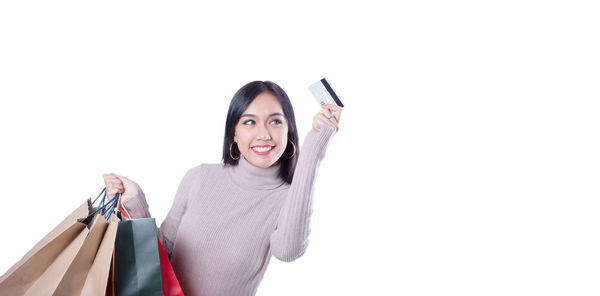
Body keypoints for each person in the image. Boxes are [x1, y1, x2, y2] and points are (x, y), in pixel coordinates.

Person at [102, 80, 343, 296]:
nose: (264, 134)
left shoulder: (286, 201)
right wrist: (136, 202)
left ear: (289, 131)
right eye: (250, 122)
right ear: (234, 134)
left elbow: (288, 251)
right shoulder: (199, 177)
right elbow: (163, 252)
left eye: (276, 122)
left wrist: (313, 149)